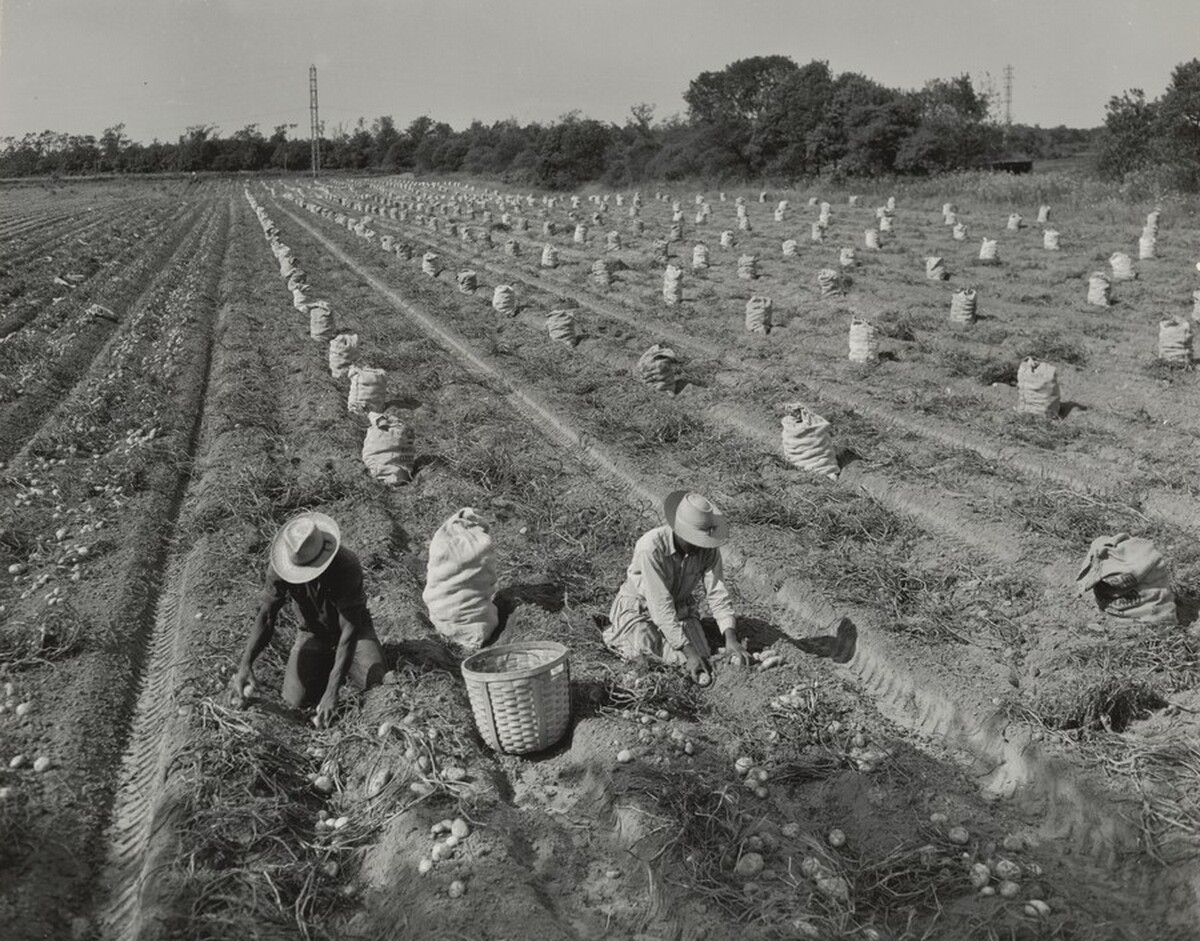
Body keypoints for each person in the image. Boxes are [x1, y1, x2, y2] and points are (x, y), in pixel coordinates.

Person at [229, 512, 385, 727]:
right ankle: (328, 666)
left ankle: (340, 671)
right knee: (295, 702)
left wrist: (332, 690)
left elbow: (349, 630)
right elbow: (266, 616)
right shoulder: (279, 568)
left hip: (354, 634)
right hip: (312, 632)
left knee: (377, 684)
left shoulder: (346, 565)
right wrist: (245, 664)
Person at [604, 490, 745, 685]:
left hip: (679, 608)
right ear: (679, 531)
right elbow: (660, 605)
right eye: (695, 540)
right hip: (642, 608)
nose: (700, 546)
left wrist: (731, 638)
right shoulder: (651, 548)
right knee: (644, 653)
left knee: (701, 654)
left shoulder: (707, 550)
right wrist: (689, 653)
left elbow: (717, 593)